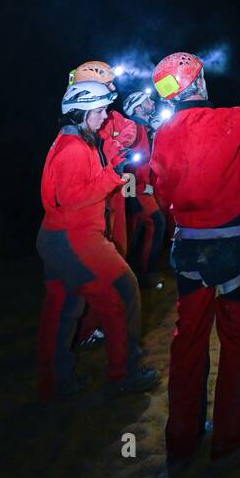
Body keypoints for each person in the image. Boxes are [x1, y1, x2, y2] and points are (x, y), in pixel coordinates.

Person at [150, 50, 240, 469]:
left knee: (188, 344)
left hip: (188, 252)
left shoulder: (163, 134)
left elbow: (164, 193)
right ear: (196, 84)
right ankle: (228, 442)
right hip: (232, 251)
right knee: (239, 342)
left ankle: (182, 441)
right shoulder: (225, 120)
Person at [37, 78, 158, 400]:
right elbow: (73, 197)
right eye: (100, 110)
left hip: (56, 238)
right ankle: (125, 374)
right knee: (123, 293)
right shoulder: (74, 149)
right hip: (75, 238)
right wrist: (114, 175)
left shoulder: (73, 140)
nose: (105, 116)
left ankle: (54, 383)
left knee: (64, 310)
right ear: (80, 111)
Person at [68, 61, 138, 257]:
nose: (114, 88)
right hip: (99, 197)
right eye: (108, 83)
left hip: (113, 187)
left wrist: (119, 144)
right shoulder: (78, 136)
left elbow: (129, 129)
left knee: (118, 236)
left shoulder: (107, 117)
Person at [121, 88, 166, 286]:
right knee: (156, 223)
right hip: (137, 192)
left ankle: (135, 273)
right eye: (147, 101)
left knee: (136, 232)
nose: (152, 103)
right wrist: (131, 198)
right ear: (138, 108)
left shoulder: (143, 129)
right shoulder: (132, 128)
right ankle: (146, 274)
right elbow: (125, 164)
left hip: (142, 190)